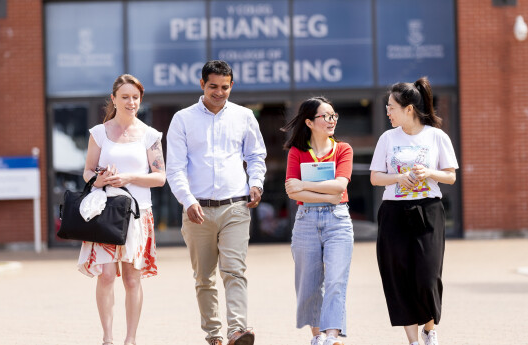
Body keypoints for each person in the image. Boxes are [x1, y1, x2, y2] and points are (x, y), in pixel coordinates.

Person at [166, 60, 267, 345]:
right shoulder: (183, 119)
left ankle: (237, 329)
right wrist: (187, 201)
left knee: (234, 269)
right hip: (196, 209)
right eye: (213, 87)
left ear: (231, 85)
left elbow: (256, 156)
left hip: (236, 206)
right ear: (202, 85)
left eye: (225, 87)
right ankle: (213, 335)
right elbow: (175, 168)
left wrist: (256, 183)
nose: (219, 92)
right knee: (204, 277)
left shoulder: (245, 116)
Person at [77, 74, 166, 345]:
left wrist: (129, 177)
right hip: (105, 213)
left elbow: (160, 177)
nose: (130, 102)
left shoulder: (150, 135)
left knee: (131, 279)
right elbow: (87, 171)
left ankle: (130, 339)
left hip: (138, 215)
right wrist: (99, 179)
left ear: (140, 100)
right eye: (125, 97)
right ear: (113, 99)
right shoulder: (99, 132)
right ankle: (107, 338)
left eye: (135, 97)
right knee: (105, 276)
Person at [369, 77, 458, 345]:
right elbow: (375, 177)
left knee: (427, 276)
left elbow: (450, 176)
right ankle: (413, 341)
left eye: (391, 107)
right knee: (397, 276)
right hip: (394, 212)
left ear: (409, 109)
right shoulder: (387, 138)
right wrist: (398, 178)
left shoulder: (436, 136)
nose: (387, 112)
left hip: (428, 211)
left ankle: (429, 330)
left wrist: (428, 172)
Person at [280, 97, 354, 345]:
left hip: (338, 221)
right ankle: (317, 336)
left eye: (334, 116)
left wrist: (305, 185)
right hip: (306, 221)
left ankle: (332, 336)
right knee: (309, 283)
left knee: (335, 280)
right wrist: (326, 193)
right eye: (326, 116)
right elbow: (292, 192)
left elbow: (340, 187)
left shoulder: (343, 149)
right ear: (310, 122)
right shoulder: (296, 152)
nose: (332, 121)